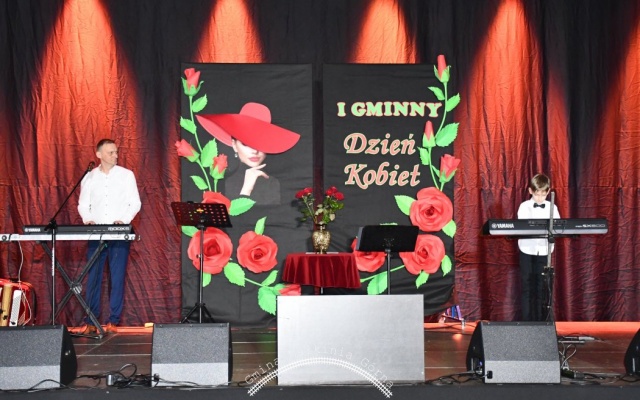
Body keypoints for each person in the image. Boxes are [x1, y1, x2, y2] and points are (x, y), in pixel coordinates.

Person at [77, 139, 141, 334]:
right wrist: (88, 220)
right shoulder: (89, 177)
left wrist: (124, 220)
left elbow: (135, 203)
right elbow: (83, 204)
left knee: (117, 277)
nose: (115, 155)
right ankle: (90, 320)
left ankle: (113, 320)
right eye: (110, 152)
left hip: (118, 235)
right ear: (99, 155)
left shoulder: (126, 175)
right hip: (96, 234)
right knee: (93, 277)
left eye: (116, 152)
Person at [196, 102, 300, 205]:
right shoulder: (226, 183)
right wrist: (247, 189)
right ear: (234, 145)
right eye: (246, 144)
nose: (255, 151)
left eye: (261, 143)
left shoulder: (273, 183)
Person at [517, 173, 560, 321]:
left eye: (543, 194)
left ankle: (542, 322)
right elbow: (523, 227)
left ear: (548, 192)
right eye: (537, 194)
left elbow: (558, 227)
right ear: (530, 191)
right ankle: (527, 322)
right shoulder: (524, 206)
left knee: (542, 287)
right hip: (526, 250)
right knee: (527, 286)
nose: (540, 198)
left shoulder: (552, 207)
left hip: (544, 251)